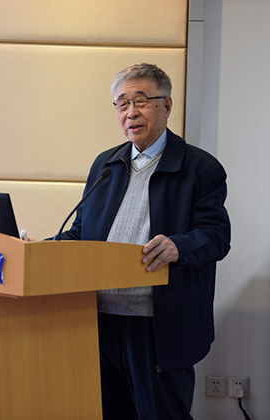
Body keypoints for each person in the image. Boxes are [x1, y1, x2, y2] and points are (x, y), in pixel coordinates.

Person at [56, 63, 231, 420]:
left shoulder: (200, 167)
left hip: (157, 327)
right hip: (98, 321)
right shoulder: (106, 164)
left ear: (166, 105)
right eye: (122, 103)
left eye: (141, 101)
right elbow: (81, 232)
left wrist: (178, 247)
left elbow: (216, 236)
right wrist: (41, 248)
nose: (131, 112)